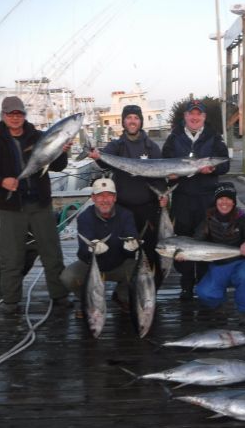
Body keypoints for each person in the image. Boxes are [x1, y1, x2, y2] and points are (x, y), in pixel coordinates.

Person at [0, 96, 72, 315]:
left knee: (52, 252)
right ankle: (11, 300)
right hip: (10, 207)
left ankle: (59, 296)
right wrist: (2, 180)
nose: (15, 118)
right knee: (11, 257)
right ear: (3, 115)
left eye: (18, 114)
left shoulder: (39, 136)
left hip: (40, 203)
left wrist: (63, 149)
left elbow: (58, 166)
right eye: (10, 114)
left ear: (24, 115)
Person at [89, 105, 167, 289]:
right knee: (125, 250)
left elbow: (160, 175)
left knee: (150, 250)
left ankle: (153, 289)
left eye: (136, 118)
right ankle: (125, 291)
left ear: (141, 121)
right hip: (123, 209)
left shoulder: (151, 146)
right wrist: (96, 157)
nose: (132, 121)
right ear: (124, 121)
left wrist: (163, 195)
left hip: (148, 208)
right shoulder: (116, 145)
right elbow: (104, 162)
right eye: (129, 117)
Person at [162, 99, 230, 300]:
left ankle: (203, 282)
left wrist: (213, 169)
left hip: (207, 200)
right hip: (182, 199)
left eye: (198, 114)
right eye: (191, 114)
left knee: (205, 241)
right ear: (185, 116)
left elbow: (225, 164)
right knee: (181, 241)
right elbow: (164, 164)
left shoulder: (215, 138)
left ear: (204, 117)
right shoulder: (173, 138)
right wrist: (169, 175)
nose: (194, 117)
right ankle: (186, 284)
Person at [60, 178, 139, 312]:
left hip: (118, 264)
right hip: (91, 266)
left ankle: (121, 296)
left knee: (140, 272)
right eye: (100, 196)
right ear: (93, 198)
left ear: (115, 198)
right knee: (68, 277)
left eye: (109, 195)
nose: (105, 200)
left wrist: (132, 245)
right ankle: (87, 300)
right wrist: (92, 248)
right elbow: (83, 251)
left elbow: (131, 235)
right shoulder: (84, 217)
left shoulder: (126, 214)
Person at [192, 182, 245, 321]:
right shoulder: (207, 219)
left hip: (243, 262)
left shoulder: (244, 218)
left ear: (234, 202)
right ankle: (219, 304)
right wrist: (184, 254)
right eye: (221, 198)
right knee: (203, 292)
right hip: (219, 265)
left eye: (228, 199)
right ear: (215, 201)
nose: (224, 202)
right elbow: (196, 242)